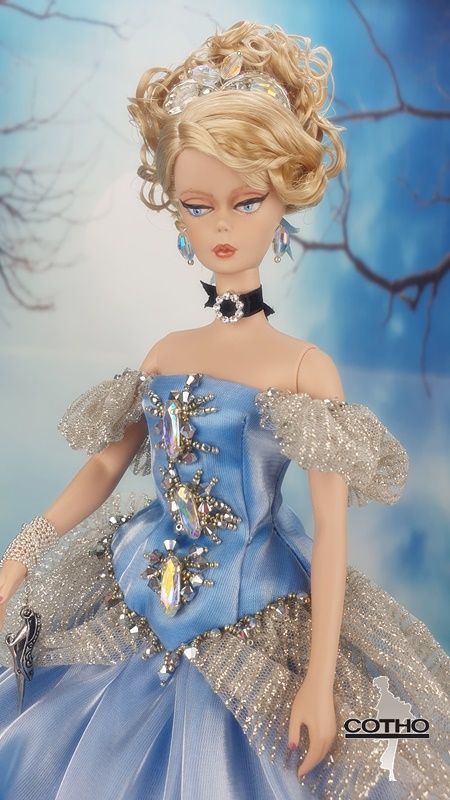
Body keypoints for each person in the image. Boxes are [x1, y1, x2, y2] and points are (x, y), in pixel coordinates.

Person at [0, 19, 448, 800]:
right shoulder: (165, 353)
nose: (223, 227)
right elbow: (106, 465)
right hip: (140, 587)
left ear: (282, 199)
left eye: (246, 201)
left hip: (256, 610)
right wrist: (21, 552)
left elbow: (331, 530)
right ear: (177, 215)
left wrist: (317, 681)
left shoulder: (304, 368)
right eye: (198, 206)